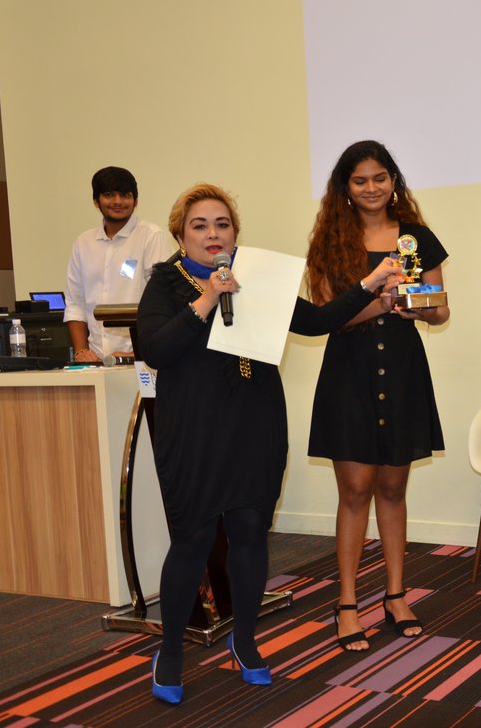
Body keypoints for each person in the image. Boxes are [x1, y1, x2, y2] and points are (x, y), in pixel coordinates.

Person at [138, 182, 402, 703]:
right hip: (193, 432)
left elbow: (319, 320)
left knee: (252, 532)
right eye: (200, 225)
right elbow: (155, 350)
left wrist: (370, 283)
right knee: (192, 540)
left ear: (236, 232)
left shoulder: (256, 276)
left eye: (223, 224)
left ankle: (245, 641)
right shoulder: (165, 283)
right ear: (180, 234)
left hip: (256, 422)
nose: (214, 234)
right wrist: (208, 297)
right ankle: (169, 652)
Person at [305, 141, 449, 652]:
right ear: (345, 186)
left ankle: (394, 595)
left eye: (380, 178)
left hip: (404, 370)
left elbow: (441, 308)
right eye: (360, 179)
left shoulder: (418, 237)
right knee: (354, 492)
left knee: (392, 489)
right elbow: (327, 317)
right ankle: (346, 603)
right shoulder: (328, 242)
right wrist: (380, 301)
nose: (372, 188)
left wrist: (417, 307)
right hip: (350, 372)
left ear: (394, 181)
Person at [65, 166, 172, 362]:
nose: (117, 202)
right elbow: (75, 304)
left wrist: (137, 352)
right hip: (95, 361)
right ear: (96, 201)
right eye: (108, 195)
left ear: (136, 200)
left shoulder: (151, 236)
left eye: (125, 195)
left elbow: (162, 301)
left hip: (139, 357)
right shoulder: (83, 243)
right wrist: (82, 352)